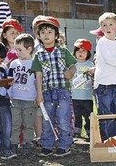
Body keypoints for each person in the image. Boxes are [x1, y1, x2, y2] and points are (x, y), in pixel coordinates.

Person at [32, 16, 76, 157]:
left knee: (63, 119)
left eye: (50, 32)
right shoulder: (38, 55)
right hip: (47, 92)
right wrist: (39, 94)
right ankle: (47, 145)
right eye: (43, 32)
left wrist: (70, 72)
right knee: (47, 120)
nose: (46, 35)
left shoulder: (63, 51)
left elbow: (73, 66)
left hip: (63, 91)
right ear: (38, 36)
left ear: (56, 36)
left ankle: (64, 144)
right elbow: (38, 75)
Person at [93, 12, 116, 140]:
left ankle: (113, 135)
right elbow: (110, 59)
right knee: (105, 113)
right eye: (104, 25)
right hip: (103, 84)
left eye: (111, 25)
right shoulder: (102, 42)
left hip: (115, 83)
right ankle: (107, 139)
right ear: (101, 29)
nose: (108, 28)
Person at [8, 34, 37, 152]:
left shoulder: (35, 63)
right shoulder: (14, 63)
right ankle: (14, 143)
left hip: (30, 99)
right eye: (16, 50)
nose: (17, 52)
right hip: (15, 98)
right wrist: (9, 93)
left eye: (20, 50)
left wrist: (37, 96)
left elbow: (38, 81)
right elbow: (9, 79)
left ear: (29, 49)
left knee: (28, 124)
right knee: (15, 123)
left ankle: (27, 143)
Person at [71, 39, 95, 138]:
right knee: (77, 115)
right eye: (78, 50)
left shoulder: (91, 65)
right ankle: (77, 130)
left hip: (87, 96)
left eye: (84, 51)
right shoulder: (72, 64)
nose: (80, 53)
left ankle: (89, 130)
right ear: (74, 52)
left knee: (88, 115)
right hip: (75, 95)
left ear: (88, 53)